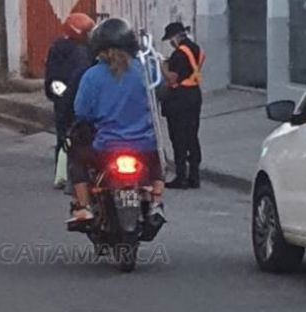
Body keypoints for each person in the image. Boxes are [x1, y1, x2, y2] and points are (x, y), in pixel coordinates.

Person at [67, 18, 165, 223]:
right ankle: (156, 202)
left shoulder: (92, 76)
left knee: (76, 156)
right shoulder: (146, 70)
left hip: (105, 147)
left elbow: (81, 112)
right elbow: (161, 92)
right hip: (144, 145)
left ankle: (84, 206)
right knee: (158, 159)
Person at [44, 13, 95, 190]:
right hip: (68, 99)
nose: (90, 35)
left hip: (82, 98)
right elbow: (53, 78)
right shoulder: (60, 48)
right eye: (87, 32)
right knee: (65, 137)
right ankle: (63, 174)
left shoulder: (91, 49)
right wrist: (63, 96)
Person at [160, 21, 205, 189]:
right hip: (194, 94)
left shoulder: (179, 54)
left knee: (178, 137)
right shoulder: (197, 49)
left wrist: (163, 66)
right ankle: (194, 176)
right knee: (192, 136)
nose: (170, 43)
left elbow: (172, 78)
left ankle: (181, 177)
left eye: (170, 39)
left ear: (176, 37)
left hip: (179, 98)